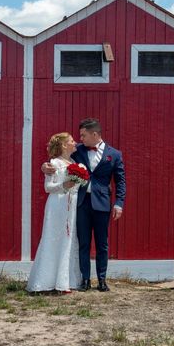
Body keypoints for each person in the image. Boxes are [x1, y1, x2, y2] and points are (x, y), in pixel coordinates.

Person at [42, 118, 126, 292]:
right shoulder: (77, 150)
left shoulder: (115, 154)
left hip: (102, 203)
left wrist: (119, 203)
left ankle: (102, 280)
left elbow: (120, 181)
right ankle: (85, 280)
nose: (81, 139)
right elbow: (57, 157)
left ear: (95, 134)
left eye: (84, 135)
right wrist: (44, 166)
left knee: (102, 244)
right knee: (83, 243)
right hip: (80, 204)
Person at [27, 133, 82, 293]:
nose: (75, 142)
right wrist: (66, 185)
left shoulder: (74, 163)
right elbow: (48, 187)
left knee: (68, 238)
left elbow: (78, 185)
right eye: (72, 141)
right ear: (64, 145)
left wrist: (77, 183)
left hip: (70, 206)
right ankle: (46, 280)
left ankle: (65, 281)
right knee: (53, 237)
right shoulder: (54, 163)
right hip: (57, 205)